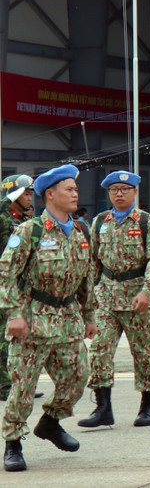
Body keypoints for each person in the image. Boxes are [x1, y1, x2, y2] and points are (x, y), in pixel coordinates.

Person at [1, 166, 98, 473]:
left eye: (76, 189)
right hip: (32, 320)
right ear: (50, 194)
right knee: (23, 387)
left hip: (68, 318)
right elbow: (5, 273)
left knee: (78, 377)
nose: (75, 194)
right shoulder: (30, 231)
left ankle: (51, 422)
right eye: (68, 189)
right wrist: (14, 314)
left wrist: (90, 315)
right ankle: (13, 444)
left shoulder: (81, 230)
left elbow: (87, 277)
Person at [79, 170, 150, 429]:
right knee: (99, 350)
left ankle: (147, 406)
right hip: (105, 297)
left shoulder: (147, 222)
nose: (119, 193)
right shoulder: (99, 222)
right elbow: (92, 263)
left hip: (136, 298)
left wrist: (147, 291)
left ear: (135, 192)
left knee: (144, 352)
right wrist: (87, 298)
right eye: (114, 189)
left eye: (124, 189)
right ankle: (103, 407)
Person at [0, 175, 37, 402]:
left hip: (19, 286)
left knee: (18, 338)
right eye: (25, 193)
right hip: (4, 285)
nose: (29, 197)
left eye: (31, 193)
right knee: (4, 337)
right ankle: (5, 385)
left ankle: (15, 381)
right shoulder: (3, 217)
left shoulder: (22, 220)